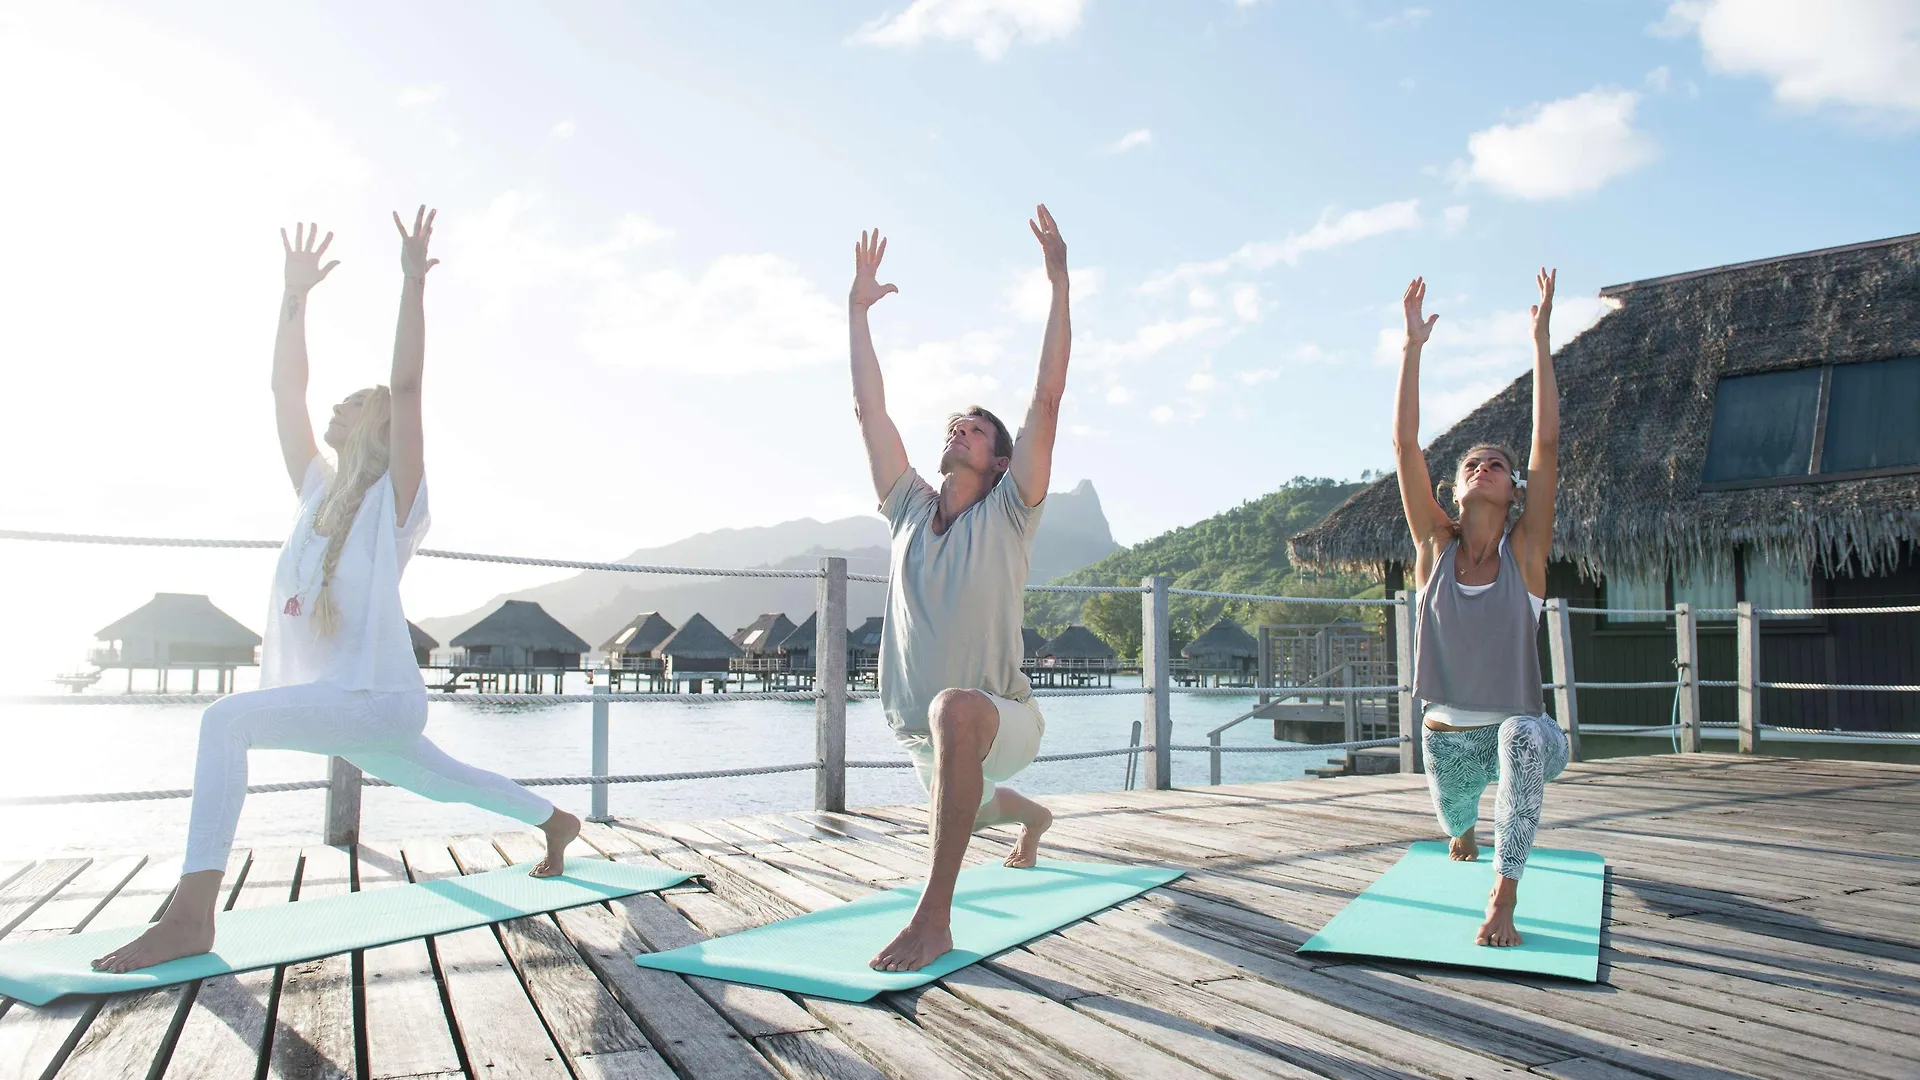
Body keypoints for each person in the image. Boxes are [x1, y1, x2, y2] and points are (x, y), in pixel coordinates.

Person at [94, 209, 580, 974]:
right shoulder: (316, 493)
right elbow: (285, 391)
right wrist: (295, 301)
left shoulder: (397, 501)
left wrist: (412, 283)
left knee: (225, 722)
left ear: (376, 425)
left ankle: (191, 916)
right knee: (452, 783)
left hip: (375, 697)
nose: (336, 408)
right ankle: (557, 821)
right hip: (339, 700)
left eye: (353, 402)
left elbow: (411, 386)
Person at [849, 207, 1071, 973]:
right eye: (956, 424)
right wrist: (857, 312)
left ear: (1002, 462)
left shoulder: (1012, 513)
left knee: (957, 711)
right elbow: (869, 411)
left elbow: (1046, 399)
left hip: (1001, 718)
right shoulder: (908, 507)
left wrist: (1058, 281)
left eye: (977, 430)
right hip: (920, 734)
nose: (959, 430)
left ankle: (933, 920)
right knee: (969, 806)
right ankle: (1032, 820)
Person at [1393, 268, 1565, 948]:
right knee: (1453, 823)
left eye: (1496, 463)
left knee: (1522, 738)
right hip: (1448, 745)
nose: (1485, 466)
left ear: (1513, 490)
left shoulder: (1526, 556)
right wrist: (1411, 350)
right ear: (1455, 490)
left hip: (1519, 735)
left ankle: (1503, 898)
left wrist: (1541, 339)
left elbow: (1546, 447)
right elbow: (1405, 448)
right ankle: (1463, 825)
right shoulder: (1431, 552)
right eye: (1472, 464)